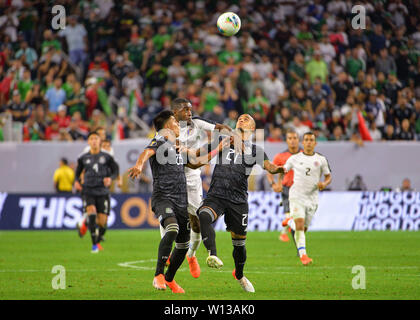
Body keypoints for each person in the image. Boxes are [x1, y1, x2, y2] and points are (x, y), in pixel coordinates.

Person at [129, 98, 232, 279]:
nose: (189, 113)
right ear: (174, 113)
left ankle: (191, 255)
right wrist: (139, 164)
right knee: (170, 221)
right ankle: (167, 256)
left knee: (197, 222)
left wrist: (231, 136)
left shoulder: (196, 123)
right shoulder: (164, 135)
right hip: (170, 179)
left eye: (190, 109)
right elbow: (149, 150)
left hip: (190, 175)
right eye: (185, 110)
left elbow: (200, 151)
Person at [197, 114, 283, 293]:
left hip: (238, 201)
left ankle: (240, 275)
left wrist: (279, 169)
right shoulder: (223, 141)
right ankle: (212, 254)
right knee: (203, 215)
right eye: (240, 118)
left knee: (239, 245)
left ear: (252, 128)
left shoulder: (255, 150)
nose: (241, 120)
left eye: (246, 119)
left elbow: (269, 166)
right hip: (217, 195)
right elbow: (200, 153)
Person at [281, 132, 332, 266]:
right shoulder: (294, 158)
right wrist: (277, 172)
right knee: (299, 225)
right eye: (306, 140)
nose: (309, 142)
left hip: (313, 198)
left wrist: (324, 184)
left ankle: (289, 221)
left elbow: (328, 176)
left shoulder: (321, 159)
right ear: (302, 143)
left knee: (303, 229)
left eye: (311, 140)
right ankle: (303, 255)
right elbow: (284, 169)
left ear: (315, 143)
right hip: (297, 195)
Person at [74, 131, 119, 253]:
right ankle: (94, 245)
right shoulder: (83, 158)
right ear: (88, 142)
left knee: (102, 221)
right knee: (92, 212)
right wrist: (77, 181)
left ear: (100, 141)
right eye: (91, 139)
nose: (94, 141)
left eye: (96, 139)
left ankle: (88, 225)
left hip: (102, 191)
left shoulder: (107, 157)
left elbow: (115, 170)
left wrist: (111, 178)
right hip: (88, 190)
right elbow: (77, 172)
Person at [266, 129, 302, 243]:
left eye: (295, 138)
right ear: (286, 141)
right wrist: (273, 184)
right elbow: (270, 171)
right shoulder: (280, 156)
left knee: (299, 219)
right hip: (287, 189)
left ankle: (284, 231)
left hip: (302, 190)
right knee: (292, 216)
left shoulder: (305, 155)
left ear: (298, 140)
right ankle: (299, 248)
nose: (292, 141)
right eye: (290, 138)